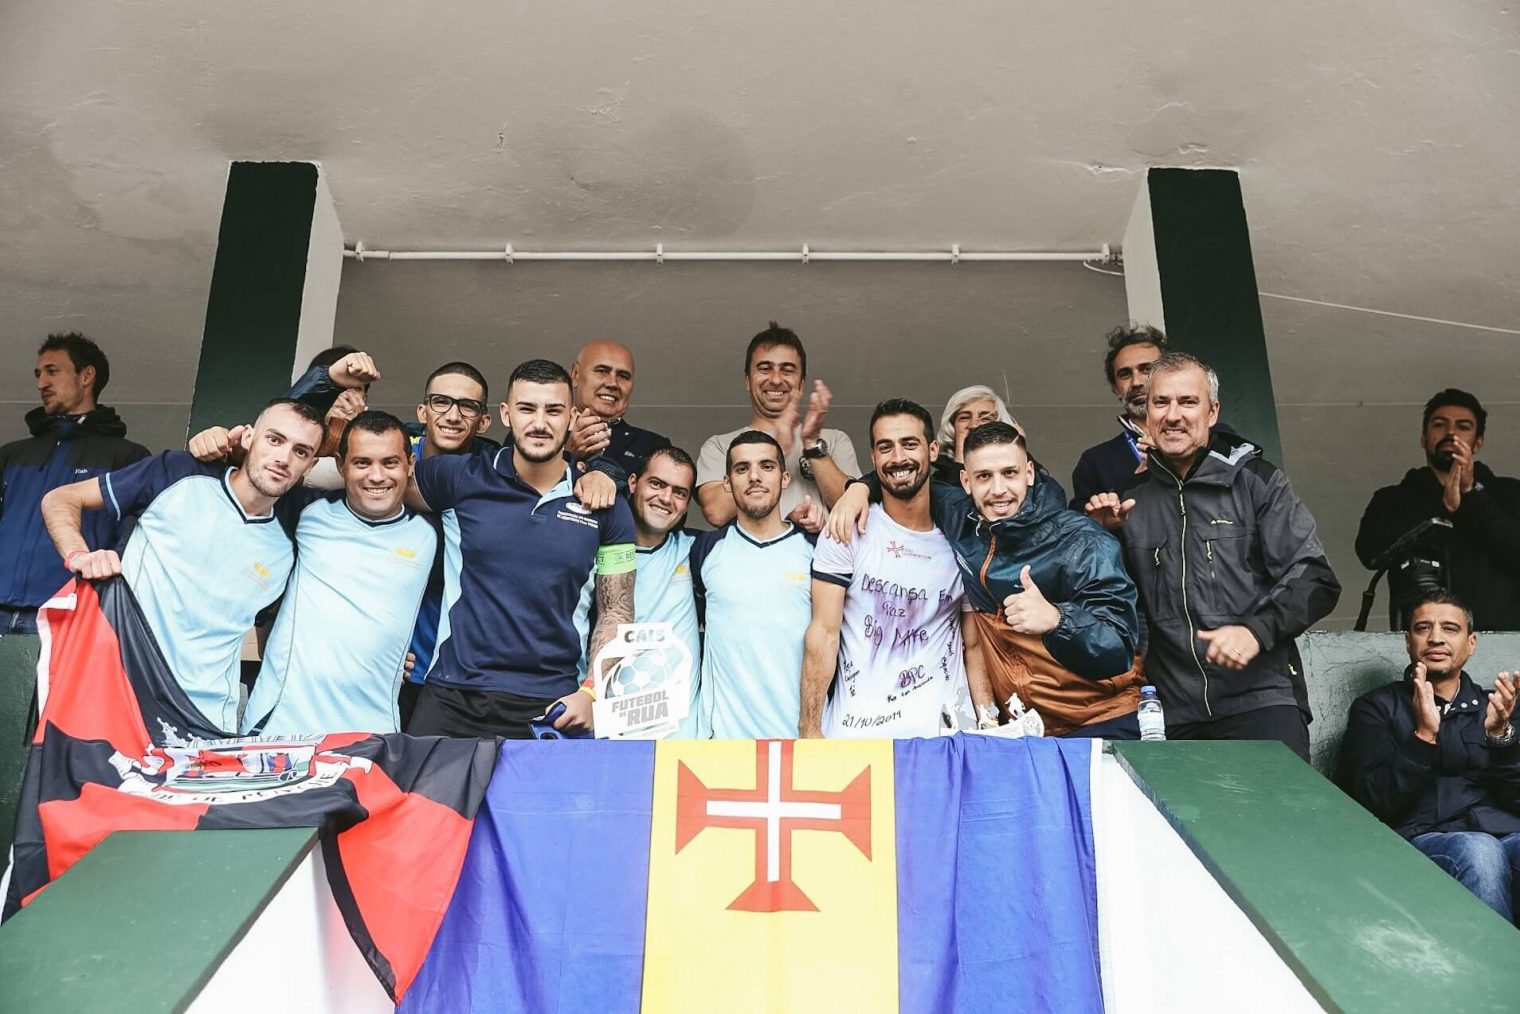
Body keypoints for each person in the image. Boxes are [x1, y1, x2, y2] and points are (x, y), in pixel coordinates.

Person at [1085, 352, 1340, 760]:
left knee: (1282, 822)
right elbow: (1109, 609)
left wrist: (1255, 631)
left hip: (1261, 701)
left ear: (1212, 412)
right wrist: (1100, 538)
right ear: (1146, 415)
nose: (1173, 415)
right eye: (1161, 403)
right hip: (1171, 712)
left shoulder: (1257, 482)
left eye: (1188, 402)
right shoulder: (1127, 502)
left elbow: (1316, 579)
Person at [831, 421, 1144, 737]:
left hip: (1101, 720)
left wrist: (1057, 619)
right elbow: (906, 478)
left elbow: (1118, 648)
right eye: (984, 477)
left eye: (1009, 473)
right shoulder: (957, 515)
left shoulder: (1082, 540)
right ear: (965, 481)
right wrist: (859, 488)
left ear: (1029, 473)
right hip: (1024, 730)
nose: (998, 490)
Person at [40, 399, 325, 731]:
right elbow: (60, 498)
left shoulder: (286, 544)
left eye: (301, 452)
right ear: (247, 438)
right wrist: (80, 556)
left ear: (310, 465)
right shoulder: (176, 472)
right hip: (118, 698)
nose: (283, 458)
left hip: (205, 723)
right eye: (274, 440)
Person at [405, 359, 634, 739]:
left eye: (554, 410)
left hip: (556, 703)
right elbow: (371, 480)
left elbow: (617, 612)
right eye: (527, 409)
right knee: (416, 800)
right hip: (453, 693)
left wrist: (592, 693)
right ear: (506, 415)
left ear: (573, 417)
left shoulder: (606, 506)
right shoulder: (461, 475)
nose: (540, 423)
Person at [188, 412, 438, 736]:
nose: (377, 476)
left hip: (374, 735)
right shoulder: (303, 511)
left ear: (410, 464)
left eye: (389, 463)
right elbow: (268, 455)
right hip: (278, 729)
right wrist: (217, 446)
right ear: (340, 465)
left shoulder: (433, 535)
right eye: (362, 463)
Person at [1339, 592, 1520, 924]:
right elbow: (1373, 800)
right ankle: (1498, 973)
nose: (1436, 637)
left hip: (1503, 832)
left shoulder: (1496, 707)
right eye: (1423, 628)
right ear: (1409, 641)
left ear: (1472, 643)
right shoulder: (1378, 708)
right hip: (1422, 838)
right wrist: (1423, 737)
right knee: (1479, 851)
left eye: (1450, 628)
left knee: (1490, 847)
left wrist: (1500, 739)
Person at [801, 400, 971, 739]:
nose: (898, 458)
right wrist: (809, 730)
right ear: (874, 457)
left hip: (945, 741)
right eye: (885, 447)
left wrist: (985, 730)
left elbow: (975, 644)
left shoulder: (961, 538)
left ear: (933, 450)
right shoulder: (846, 529)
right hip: (857, 739)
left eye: (909, 444)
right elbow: (823, 633)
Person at [0, 334, 149, 634]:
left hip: (70, 616)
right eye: (38, 374)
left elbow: (132, 546)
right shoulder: (11, 454)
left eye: (52, 371)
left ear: (86, 375)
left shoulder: (128, 457)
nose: (41, 383)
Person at [1355, 389, 1520, 631]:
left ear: (1478, 442)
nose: (1451, 433)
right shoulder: (1392, 498)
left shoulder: (1510, 493)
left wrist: (1472, 494)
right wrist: (1441, 507)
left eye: (1463, 426)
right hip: (1424, 642)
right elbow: (1369, 552)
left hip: (1503, 641)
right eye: (1440, 425)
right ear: (1424, 438)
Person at [691, 430, 815, 738]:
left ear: (785, 478)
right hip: (725, 743)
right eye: (742, 468)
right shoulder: (704, 550)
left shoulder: (817, 549)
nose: (754, 477)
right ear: (727, 483)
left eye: (767, 466)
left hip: (801, 740)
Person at [695, 322, 859, 527]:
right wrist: (776, 441)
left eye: (787, 370)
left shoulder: (833, 441)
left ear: (801, 383)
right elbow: (716, 512)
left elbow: (853, 508)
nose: (775, 379)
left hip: (819, 558)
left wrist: (811, 445)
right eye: (765, 368)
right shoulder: (719, 446)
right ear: (748, 380)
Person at [624, 446, 704, 737]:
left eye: (680, 492)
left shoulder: (698, 550)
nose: (666, 498)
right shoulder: (592, 550)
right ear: (633, 483)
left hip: (681, 740)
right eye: (656, 484)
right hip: (610, 735)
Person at [1069, 324, 1168, 510]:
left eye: (1147, 369)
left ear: (1170, 375)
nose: (1136, 382)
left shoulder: (1211, 439)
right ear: (1116, 388)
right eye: (1125, 374)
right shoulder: (1095, 462)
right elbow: (1083, 529)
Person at [567, 340, 672, 473]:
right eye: (602, 371)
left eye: (623, 376)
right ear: (575, 374)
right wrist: (568, 455)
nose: (613, 383)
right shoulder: (545, 433)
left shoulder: (654, 447)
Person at [930, 385, 1019, 486]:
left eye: (985, 418)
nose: (973, 425)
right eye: (964, 418)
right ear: (952, 427)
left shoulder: (1021, 476)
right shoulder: (934, 484)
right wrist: (961, 462)